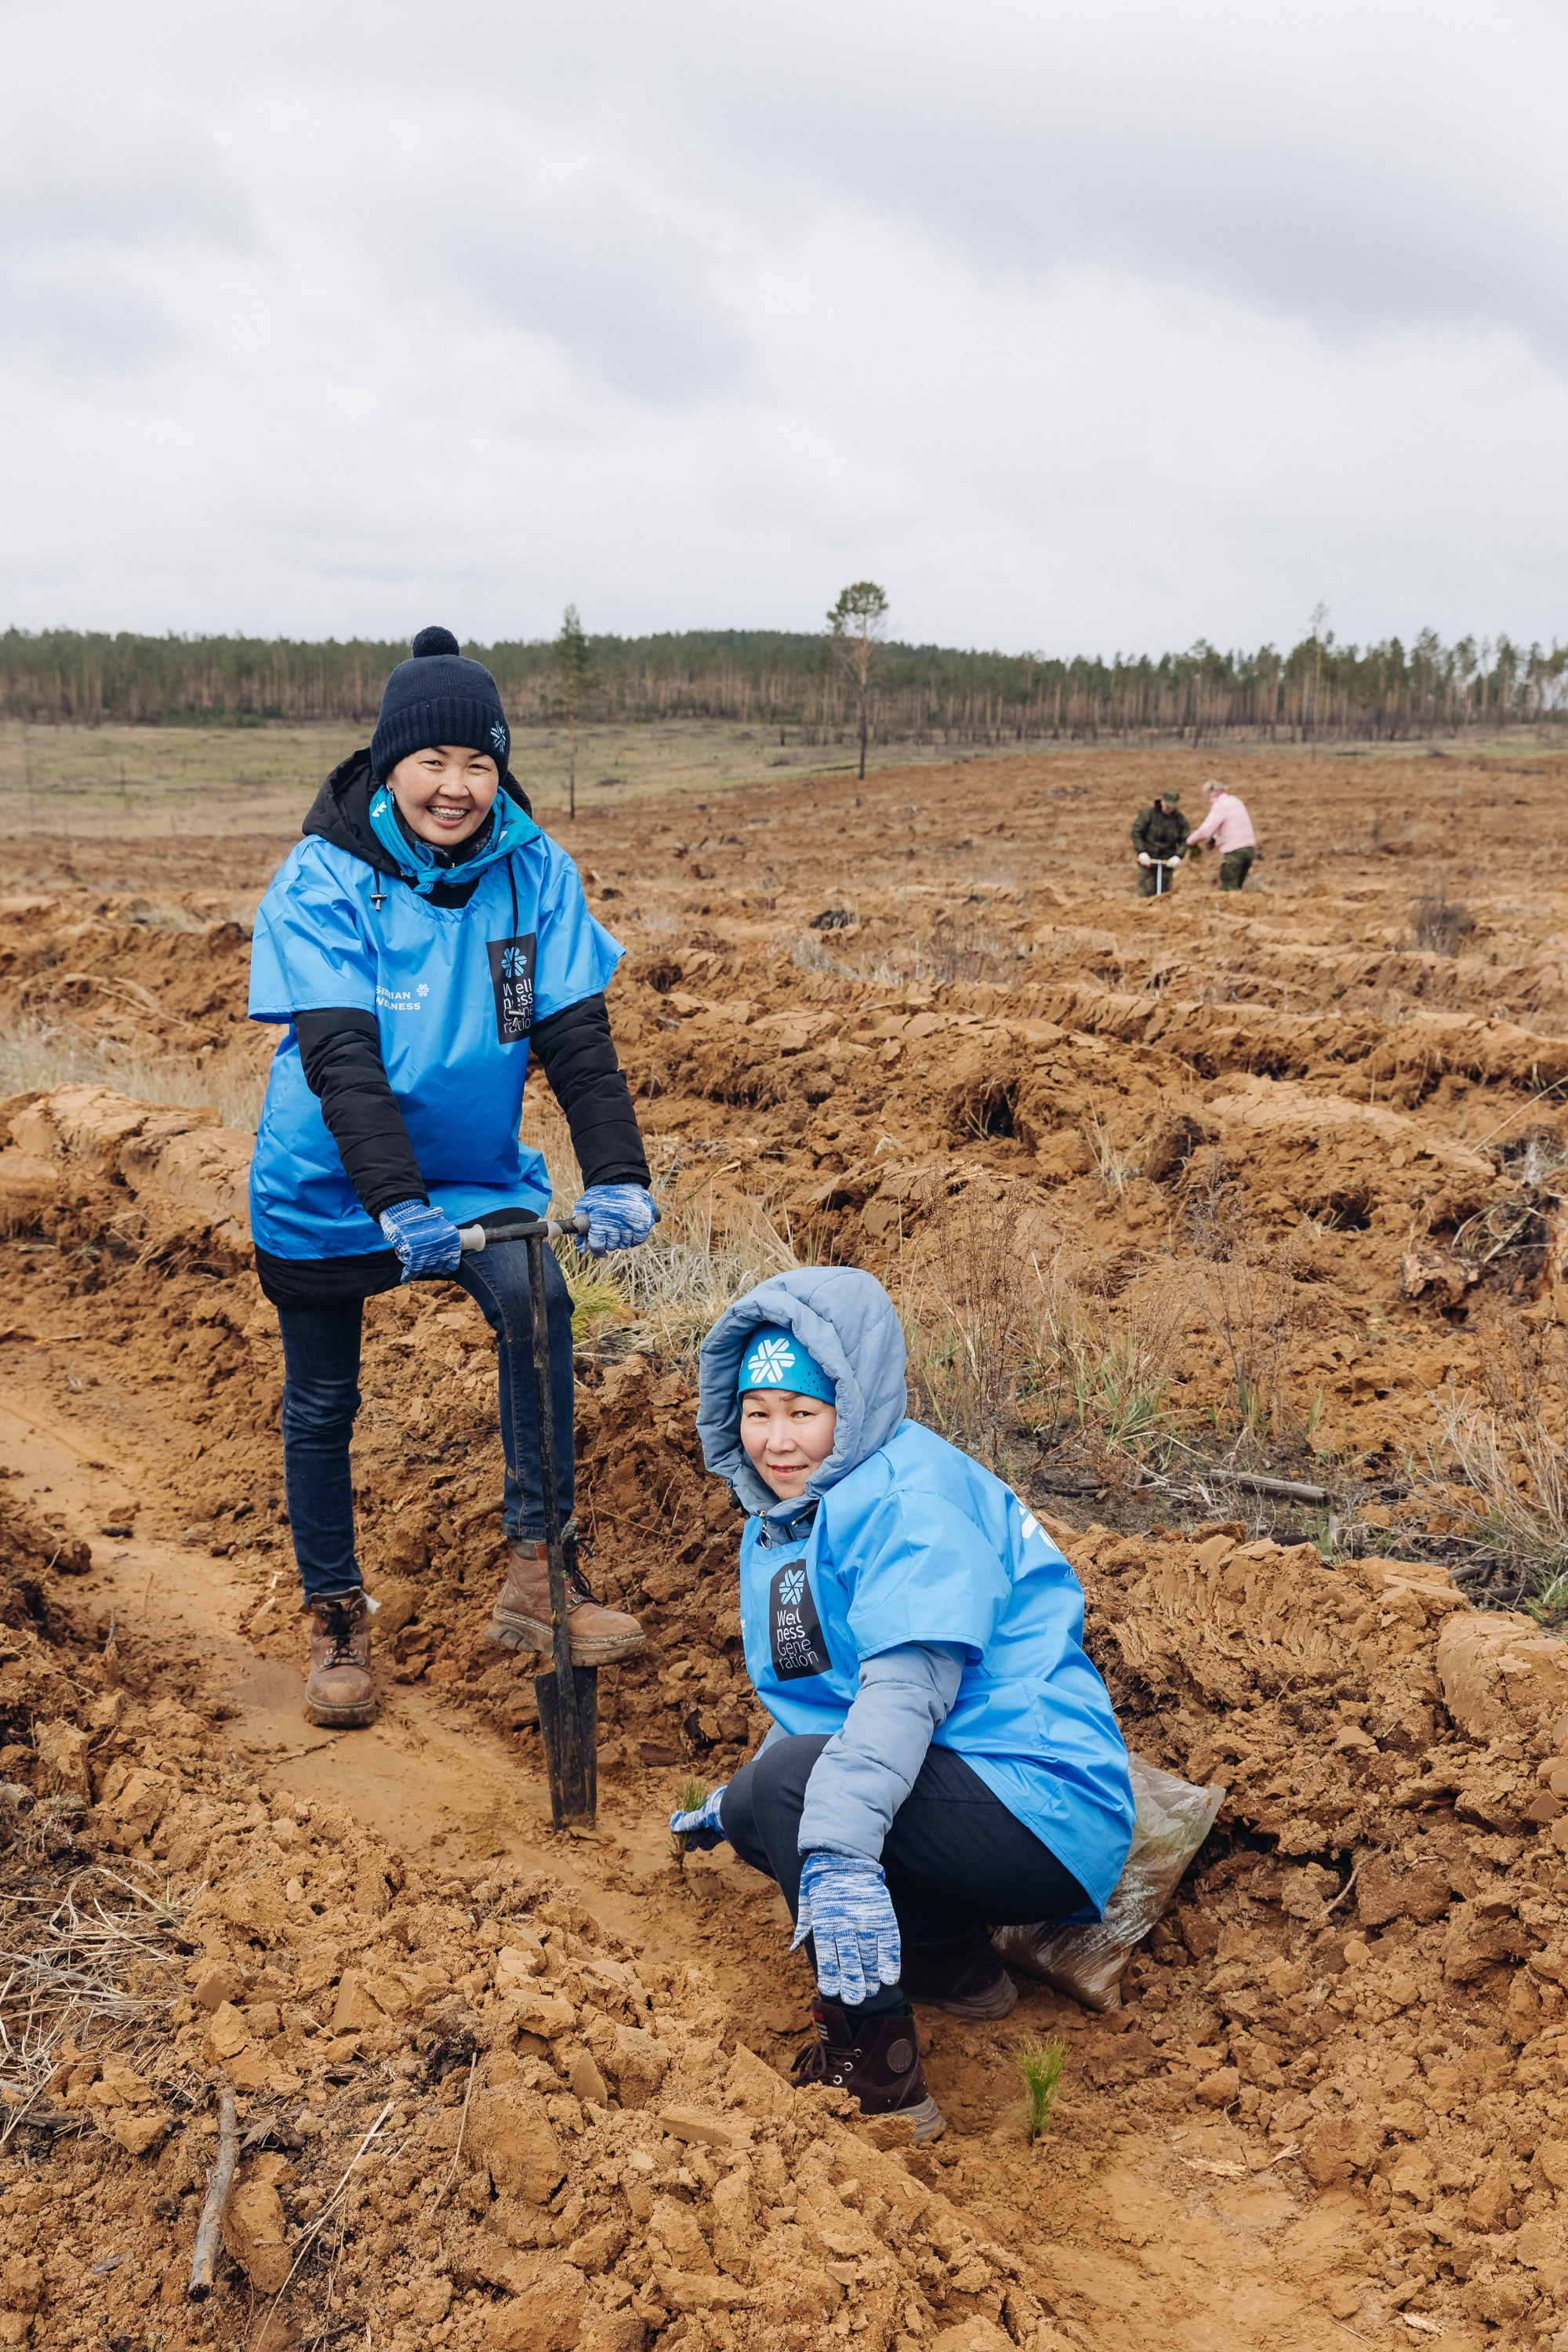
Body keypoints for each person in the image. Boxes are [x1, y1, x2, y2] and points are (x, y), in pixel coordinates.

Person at [247, 626, 656, 1729]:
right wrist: (395, 1201)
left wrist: (617, 1173)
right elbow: (340, 1055)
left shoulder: (534, 874)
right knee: (325, 1398)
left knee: (539, 1305)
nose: (457, 786)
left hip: (472, 1176)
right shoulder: (324, 876)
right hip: (333, 1180)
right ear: (390, 767)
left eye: (478, 763)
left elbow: (575, 1039)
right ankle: (335, 1611)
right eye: (433, 763)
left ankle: (541, 1568)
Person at [670, 1269, 1134, 2140]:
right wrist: (743, 1808)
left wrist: (833, 1849)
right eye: (756, 1410)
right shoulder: (791, 1516)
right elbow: (821, 1700)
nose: (776, 1440)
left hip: (1040, 1803)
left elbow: (899, 1693)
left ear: (854, 1402)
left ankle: (874, 2075)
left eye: (803, 1412)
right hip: (974, 1793)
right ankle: (948, 1962)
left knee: (797, 1798)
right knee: (767, 1798)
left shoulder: (907, 1501)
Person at [1185, 779, 1258, 890]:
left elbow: (1206, 829)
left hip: (1235, 853)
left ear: (1211, 795)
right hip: (1248, 851)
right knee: (1238, 888)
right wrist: (1214, 838)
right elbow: (1232, 824)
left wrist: (1191, 842)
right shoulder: (1235, 801)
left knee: (1229, 890)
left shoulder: (1220, 805)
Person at [1130, 789, 1186, 896]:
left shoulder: (1180, 819)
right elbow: (1136, 833)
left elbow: (1185, 840)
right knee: (1146, 891)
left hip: (1167, 861)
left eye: (1172, 807)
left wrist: (1178, 856)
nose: (1170, 810)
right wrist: (1141, 852)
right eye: (1168, 807)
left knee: (1165, 894)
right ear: (1162, 801)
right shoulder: (1148, 814)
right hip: (1148, 860)